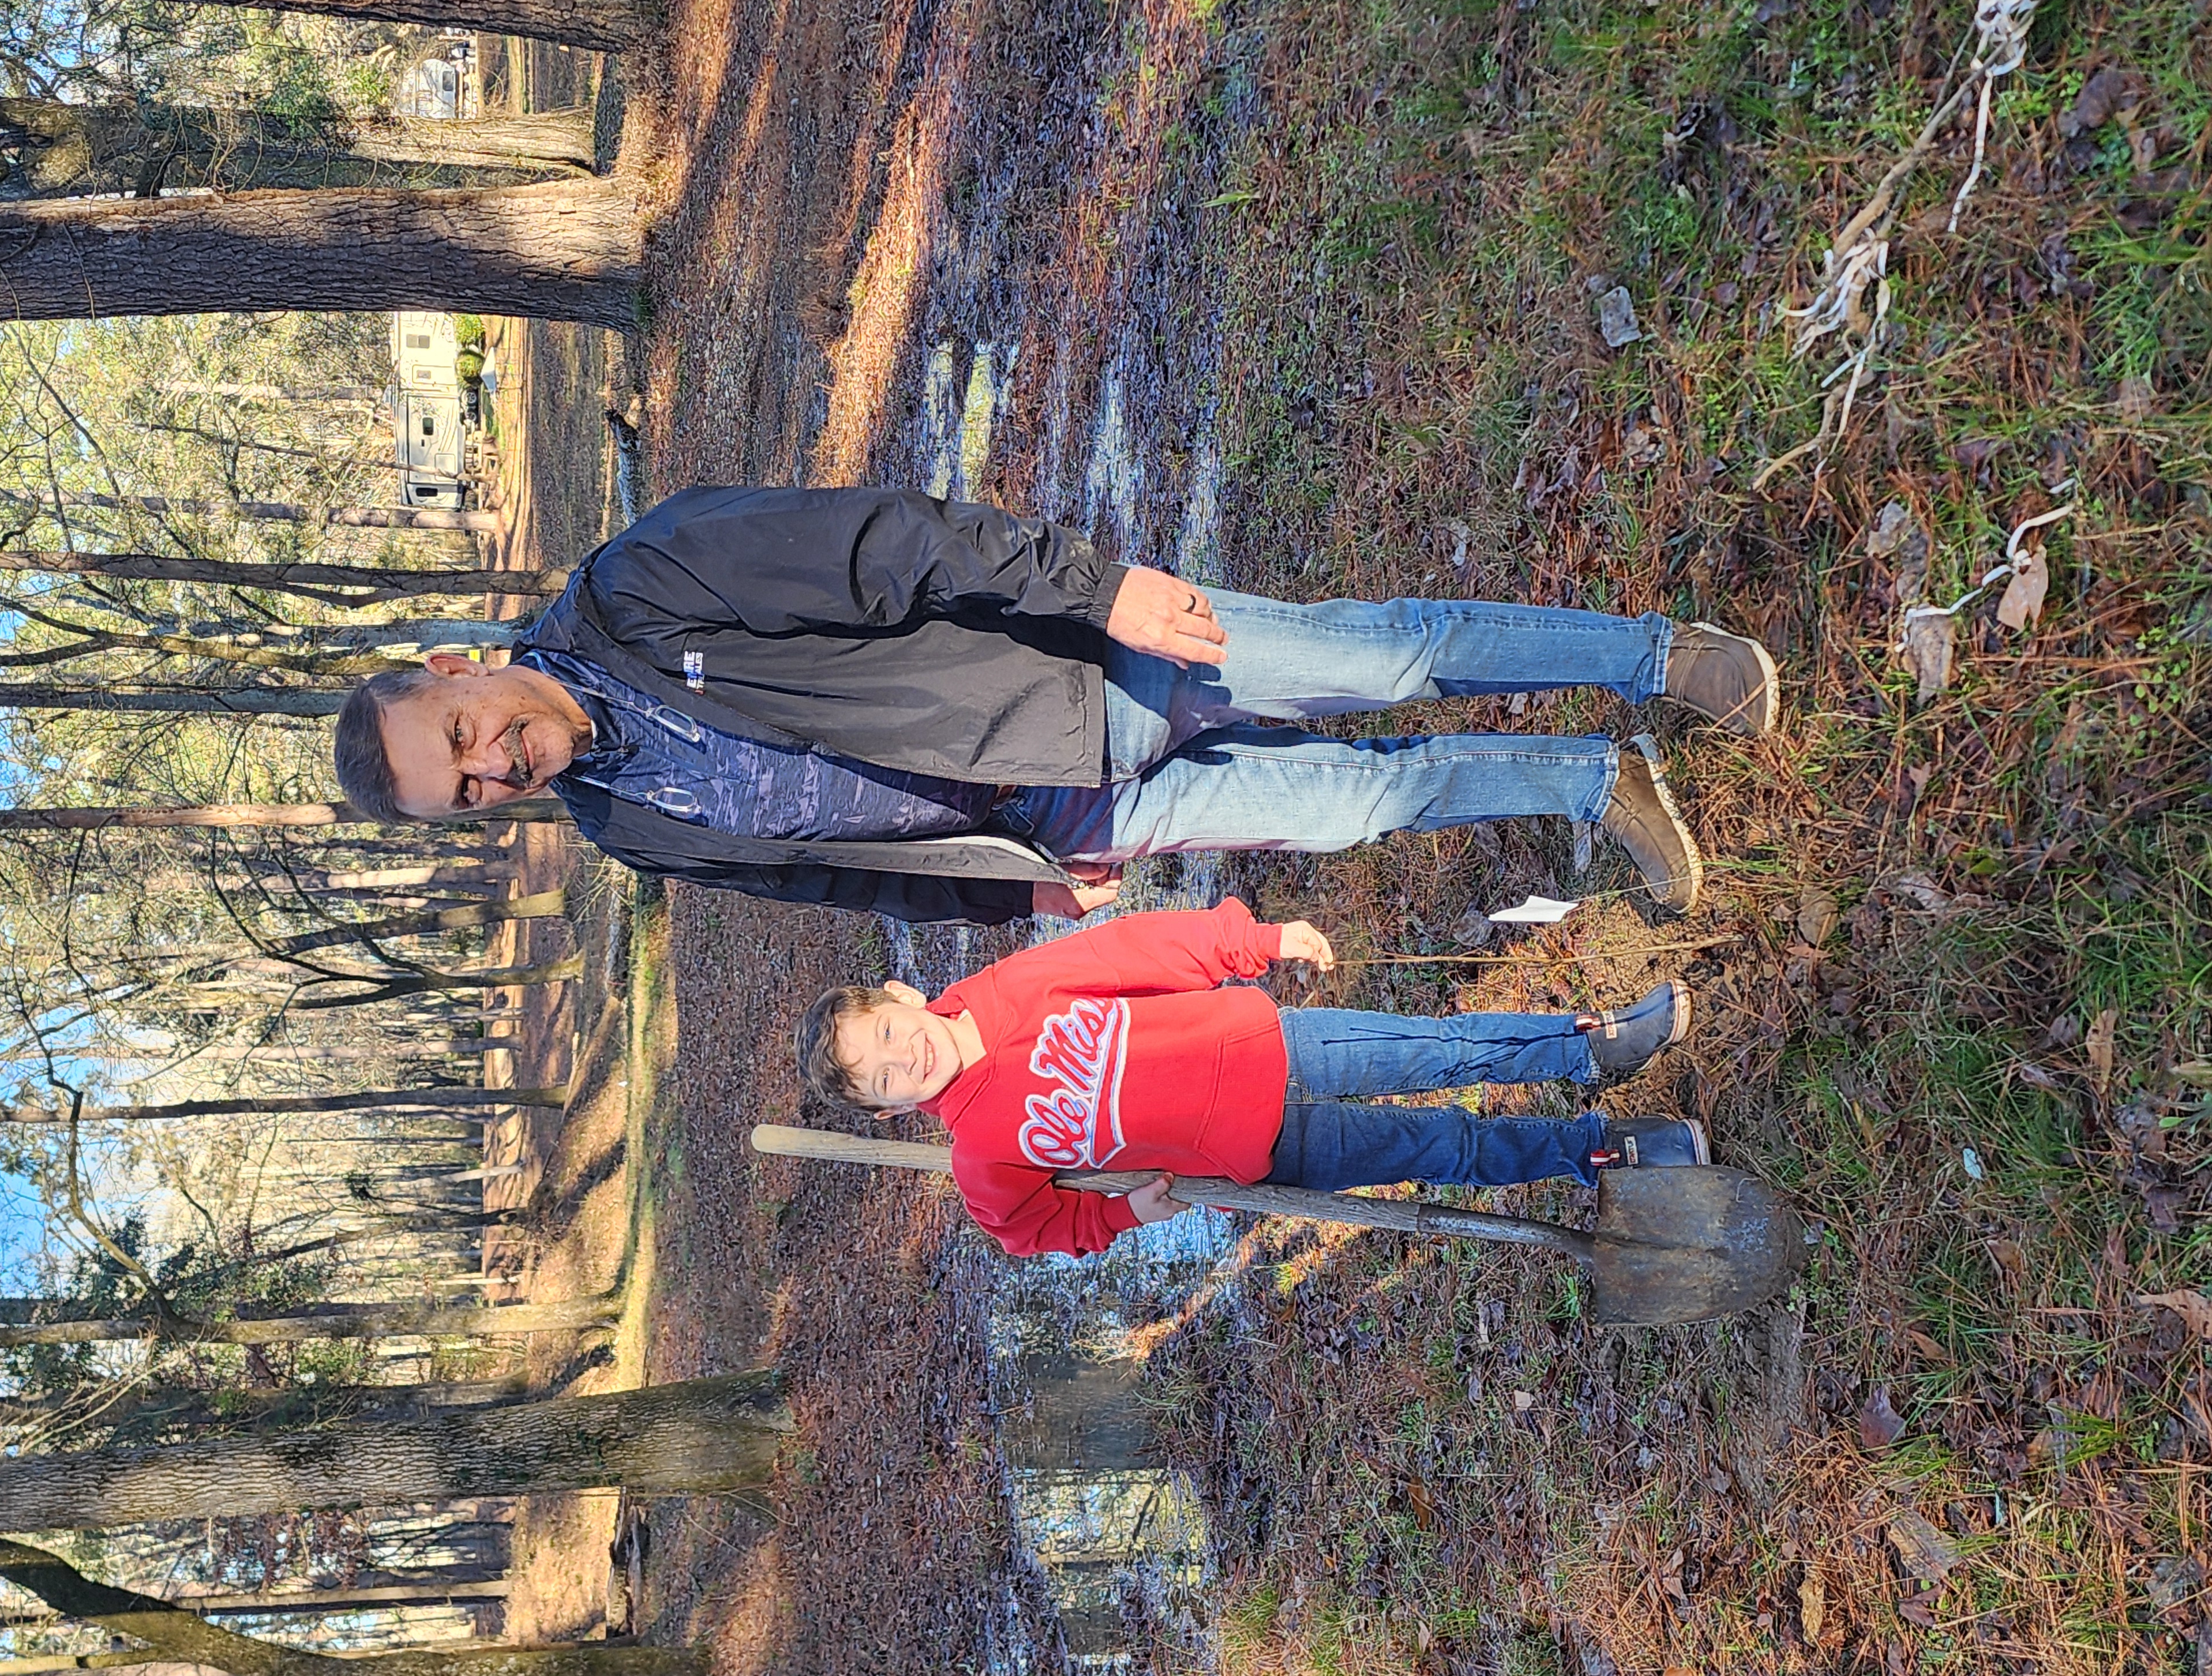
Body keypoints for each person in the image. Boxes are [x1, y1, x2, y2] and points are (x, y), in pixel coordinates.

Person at [332, 486, 1778, 924]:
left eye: (461, 739)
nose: (492, 769)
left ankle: (1660, 658)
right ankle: (1592, 782)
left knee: (1384, 660)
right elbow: (830, 877)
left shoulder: (639, 585)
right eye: (466, 796)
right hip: (1065, 820)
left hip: (1086, 672)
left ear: (456, 670)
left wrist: (1097, 590)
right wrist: (1006, 897)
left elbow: (887, 546)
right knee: (1360, 805)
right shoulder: (625, 828)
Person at [792, 896, 1708, 1259]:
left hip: (1276, 1043)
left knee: (1442, 1049)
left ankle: (1589, 1048)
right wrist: (1125, 1213)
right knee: (1446, 1145)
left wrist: (1251, 942)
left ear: (903, 996)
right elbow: (1036, 1231)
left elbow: (1134, 950)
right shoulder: (983, 1161)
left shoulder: (1007, 990)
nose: (903, 1059)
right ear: (890, 1112)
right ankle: (1603, 1151)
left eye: (887, 1034)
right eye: (882, 1080)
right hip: (1270, 1152)